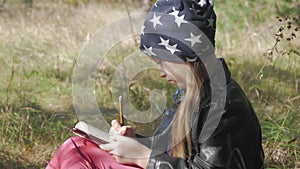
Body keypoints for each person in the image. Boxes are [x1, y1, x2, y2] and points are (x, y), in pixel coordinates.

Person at [46, 0, 265, 168]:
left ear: (185, 55)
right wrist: (136, 142)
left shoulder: (223, 108)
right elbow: (174, 151)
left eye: (161, 61)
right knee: (76, 146)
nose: (160, 72)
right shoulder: (192, 93)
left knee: (80, 155)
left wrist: (143, 157)